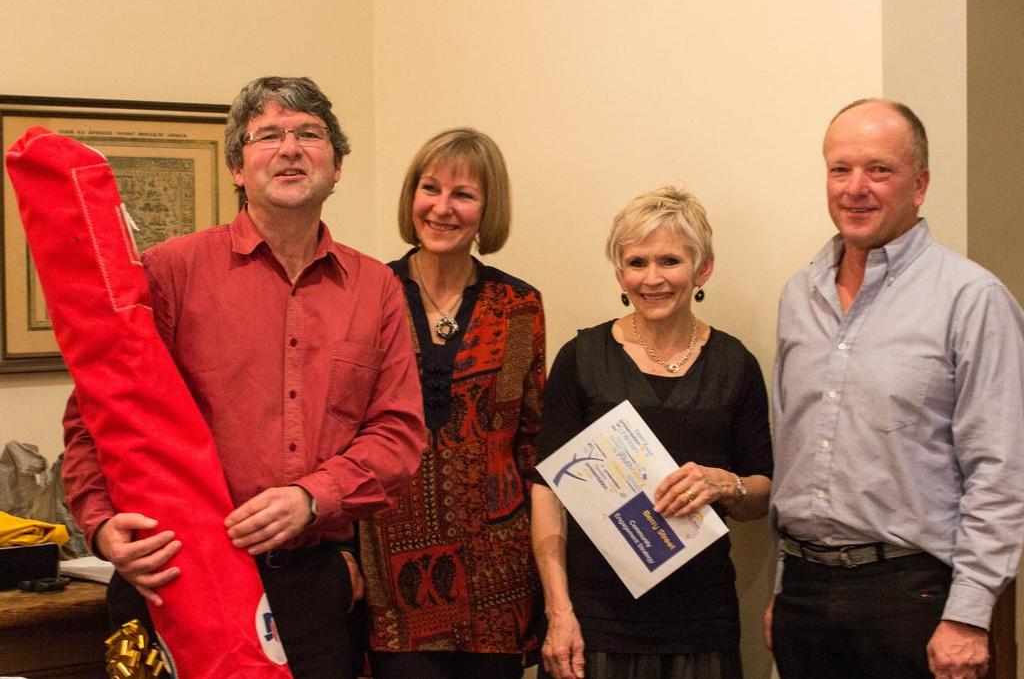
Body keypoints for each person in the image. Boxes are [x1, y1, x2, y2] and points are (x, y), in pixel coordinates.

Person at [61, 76, 426, 678]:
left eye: (309, 134)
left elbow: (398, 435)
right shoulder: (170, 271)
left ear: (336, 168)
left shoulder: (375, 289)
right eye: (268, 136)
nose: (290, 148)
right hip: (178, 576)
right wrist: (100, 525)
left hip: (310, 588)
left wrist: (313, 496)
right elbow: (94, 415)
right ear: (237, 166)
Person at [768, 98, 1024, 679]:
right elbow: (794, 451)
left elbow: (1001, 471)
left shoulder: (972, 299)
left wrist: (969, 615)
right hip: (805, 598)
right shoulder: (798, 296)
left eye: (878, 170)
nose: (856, 188)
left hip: (912, 601)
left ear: (920, 183)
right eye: (840, 169)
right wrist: (785, 589)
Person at [532, 185, 773, 679]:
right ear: (620, 272)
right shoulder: (581, 359)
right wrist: (559, 613)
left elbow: (761, 494)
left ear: (702, 269)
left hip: (702, 623)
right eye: (637, 262)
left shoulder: (735, 364)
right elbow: (546, 491)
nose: (653, 278)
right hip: (597, 622)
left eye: (670, 261)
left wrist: (727, 483)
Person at [359, 128, 546, 678]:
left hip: (498, 577)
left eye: (463, 195)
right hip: (392, 577)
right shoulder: (369, 295)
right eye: (430, 188)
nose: (442, 208)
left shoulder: (519, 306)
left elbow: (532, 441)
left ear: (488, 209)